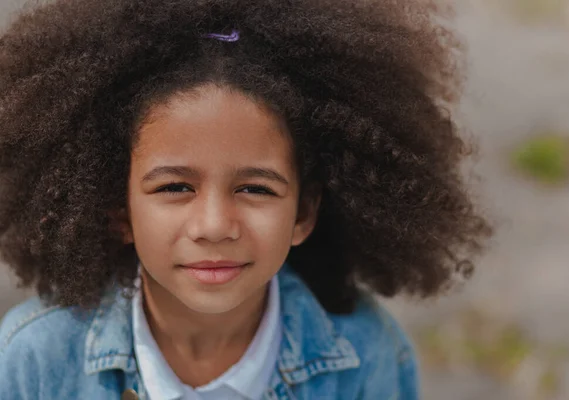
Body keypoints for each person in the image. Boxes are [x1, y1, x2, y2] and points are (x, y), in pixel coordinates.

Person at [0, 0, 491, 398]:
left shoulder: (366, 353)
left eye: (255, 188)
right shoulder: (36, 359)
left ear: (303, 212)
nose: (214, 225)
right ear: (116, 210)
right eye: (175, 187)